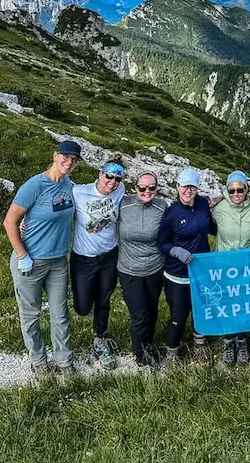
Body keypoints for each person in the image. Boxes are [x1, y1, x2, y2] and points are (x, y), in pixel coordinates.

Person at [3, 139, 80, 378]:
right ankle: (38, 361)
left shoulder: (69, 185)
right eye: (65, 156)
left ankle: (64, 361)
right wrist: (22, 255)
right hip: (31, 261)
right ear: (55, 155)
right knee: (31, 314)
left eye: (74, 159)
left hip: (58, 261)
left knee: (60, 314)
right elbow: (9, 222)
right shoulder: (34, 185)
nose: (68, 162)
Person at [70, 153, 126, 370]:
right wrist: (28, 219)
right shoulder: (79, 192)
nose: (112, 183)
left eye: (117, 179)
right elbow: (57, 206)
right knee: (83, 307)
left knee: (104, 300)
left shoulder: (120, 190)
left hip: (109, 256)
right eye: (109, 177)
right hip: (83, 258)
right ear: (100, 173)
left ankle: (100, 339)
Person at [159, 167, 216, 368]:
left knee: (201, 310)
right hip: (177, 274)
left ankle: (199, 344)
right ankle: (172, 352)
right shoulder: (171, 213)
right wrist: (176, 251)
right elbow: (162, 243)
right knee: (179, 315)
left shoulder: (202, 204)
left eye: (192, 187)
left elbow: (211, 227)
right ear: (177, 186)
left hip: (200, 272)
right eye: (184, 186)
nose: (188, 191)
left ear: (197, 188)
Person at [117, 171, 168, 372]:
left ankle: (149, 344)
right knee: (139, 315)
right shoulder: (123, 204)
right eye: (142, 187)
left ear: (157, 188)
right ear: (135, 187)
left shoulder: (162, 206)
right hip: (129, 270)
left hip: (155, 268)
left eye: (151, 187)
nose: (147, 191)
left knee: (152, 310)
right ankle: (141, 356)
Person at [212, 170, 250, 366]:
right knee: (226, 305)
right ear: (226, 190)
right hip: (223, 266)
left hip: (246, 267)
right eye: (231, 190)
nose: (236, 194)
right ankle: (228, 341)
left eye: (240, 190)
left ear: (246, 189)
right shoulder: (218, 209)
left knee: (242, 305)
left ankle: (241, 341)